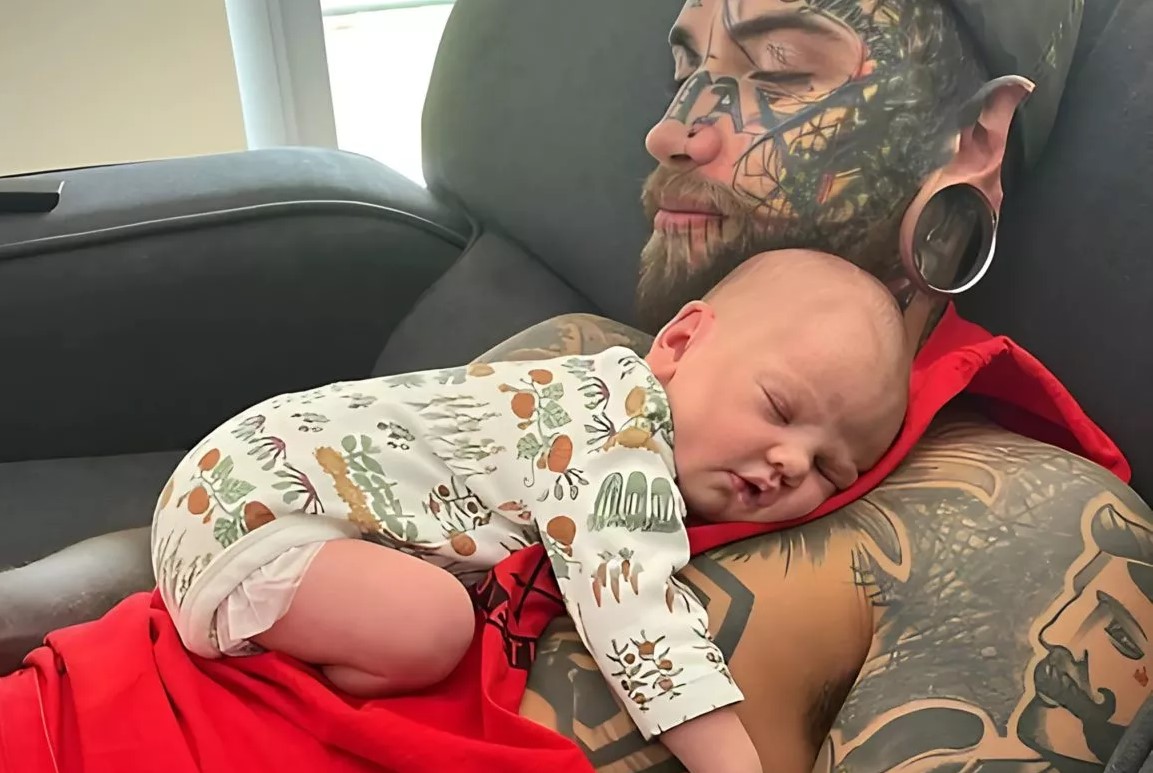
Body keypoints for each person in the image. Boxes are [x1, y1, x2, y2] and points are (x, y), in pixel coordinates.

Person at [0, 1, 1144, 772]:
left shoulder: (1031, 527)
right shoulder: (582, 356)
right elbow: (282, 529)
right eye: (687, 70)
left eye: (778, 70)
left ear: (973, 142)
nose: (668, 130)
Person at [151, 248, 909, 773]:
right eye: (779, 408)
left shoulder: (594, 397)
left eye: (829, 468)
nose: (791, 462)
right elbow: (635, 614)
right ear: (678, 342)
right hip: (255, 510)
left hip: (233, 485)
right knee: (432, 628)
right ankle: (282, 669)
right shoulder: (617, 432)